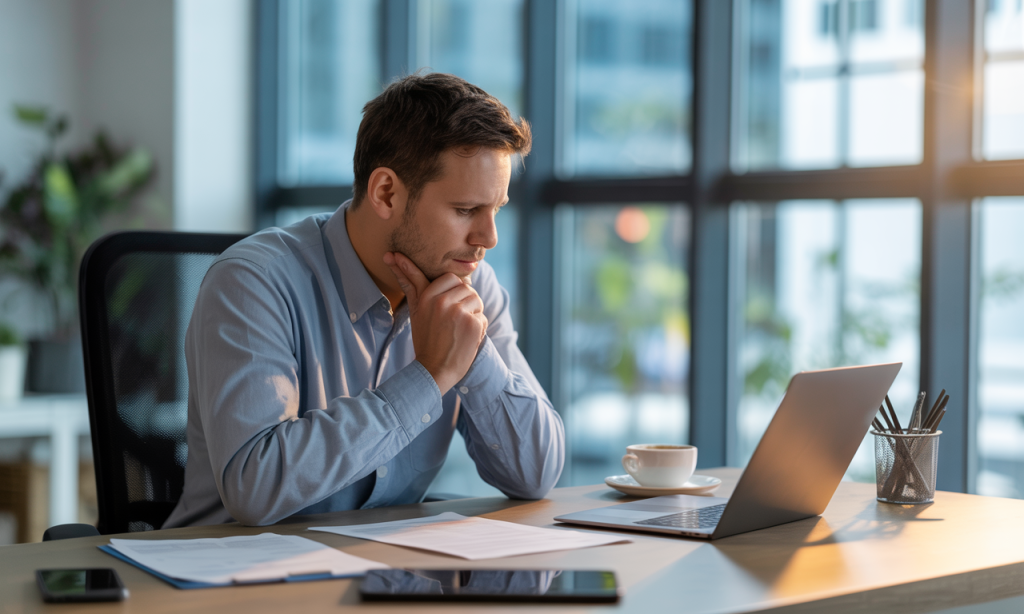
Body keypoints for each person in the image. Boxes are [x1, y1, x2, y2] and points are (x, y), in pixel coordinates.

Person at [163, 73, 565, 528]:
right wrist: (430, 376)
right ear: (386, 193)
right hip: (231, 582)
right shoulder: (253, 281)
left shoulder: (471, 287)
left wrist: (472, 357)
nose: (487, 238)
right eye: (466, 210)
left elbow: (537, 474)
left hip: (382, 580)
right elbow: (256, 488)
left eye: (496, 210)